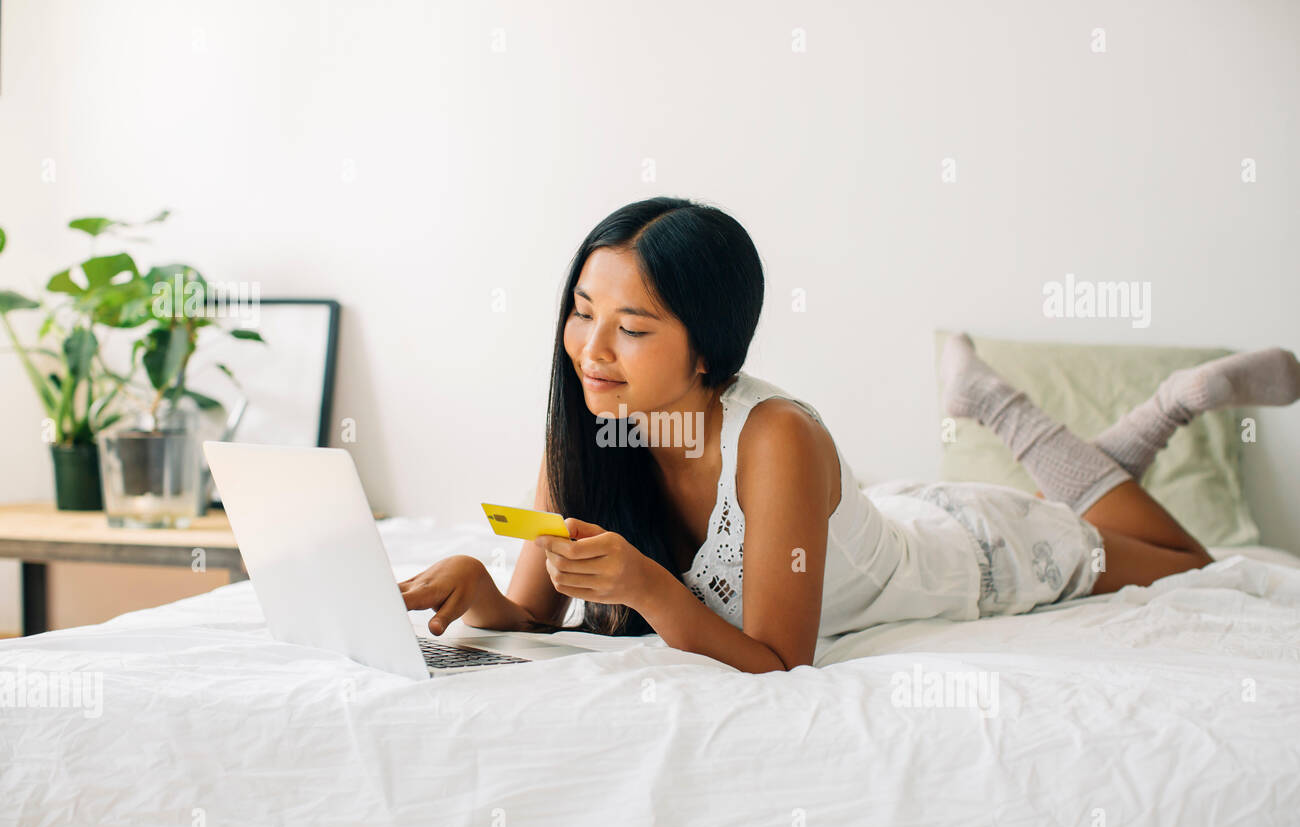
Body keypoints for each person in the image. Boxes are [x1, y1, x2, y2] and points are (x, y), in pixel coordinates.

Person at [399, 197, 1300, 674]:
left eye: (632, 329)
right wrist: (479, 588)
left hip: (980, 558)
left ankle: (1163, 403)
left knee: (1191, 561)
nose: (591, 351)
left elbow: (780, 659)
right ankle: (1021, 404)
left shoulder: (777, 437)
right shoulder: (594, 432)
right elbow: (531, 619)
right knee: (1142, 535)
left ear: (709, 351)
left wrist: (649, 586)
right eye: (581, 313)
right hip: (896, 523)